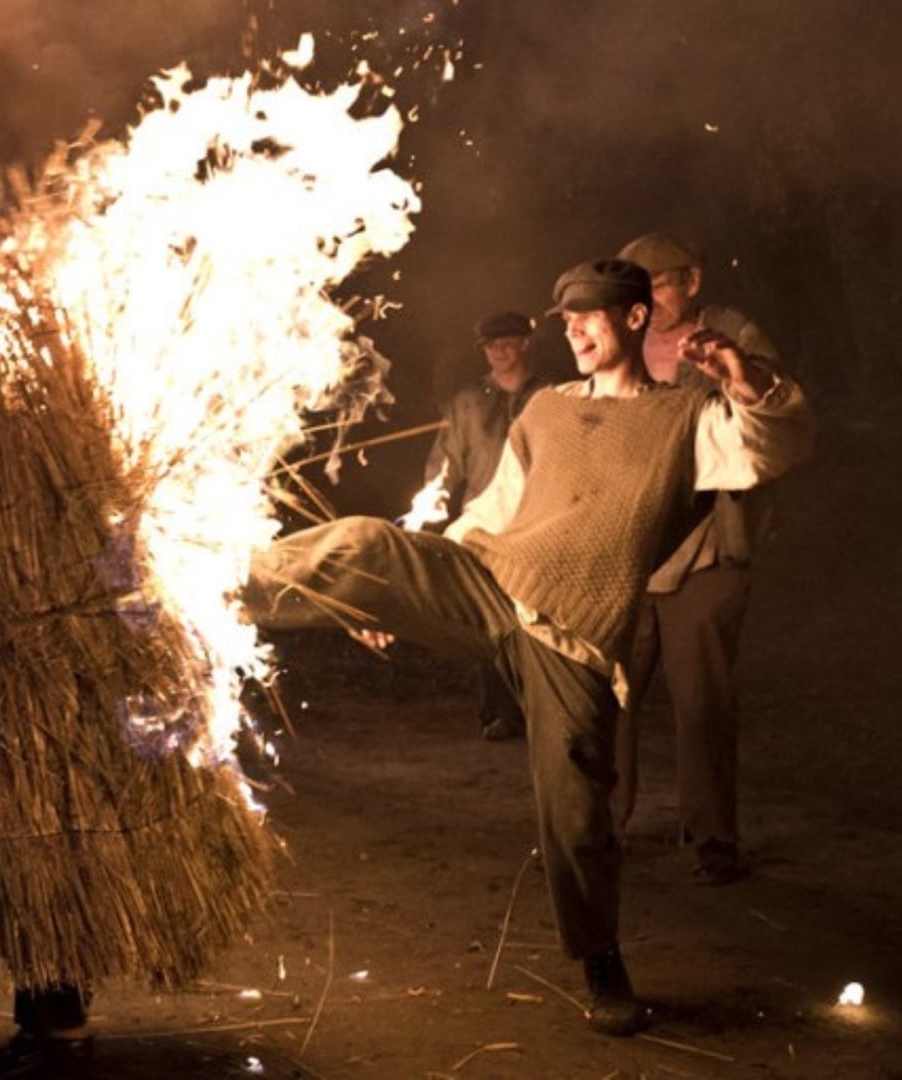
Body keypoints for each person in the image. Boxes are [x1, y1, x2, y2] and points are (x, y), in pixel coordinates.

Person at [247, 258, 813, 1036]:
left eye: (588, 316)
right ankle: (207, 576)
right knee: (364, 545)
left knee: (577, 806)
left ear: (635, 318)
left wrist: (742, 377)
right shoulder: (544, 410)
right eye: (566, 319)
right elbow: (489, 512)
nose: (573, 330)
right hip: (490, 583)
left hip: (573, 633)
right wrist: (398, 593)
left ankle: (599, 956)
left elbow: (774, 444)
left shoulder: (687, 418)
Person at [609, 233, 782, 884]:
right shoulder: (618, 340)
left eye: (659, 286)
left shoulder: (731, 334)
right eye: (638, 288)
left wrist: (735, 371)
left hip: (708, 543)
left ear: (692, 282)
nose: (649, 301)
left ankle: (712, 838)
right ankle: (600, 827)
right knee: (609, 693)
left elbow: (771, 407)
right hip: (629, 545)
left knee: (702, 699)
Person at [422, 310, 548, 740]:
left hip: (538, 523)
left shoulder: (550, 399)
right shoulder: (467, 403)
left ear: (525, 343)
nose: (498, 352)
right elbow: (444, 466)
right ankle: (499, 712)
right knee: (490, 622)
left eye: (507, 343)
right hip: (483, 528)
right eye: (491, 346)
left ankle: (542, 708)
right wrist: (430, 511)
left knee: (537, 621)